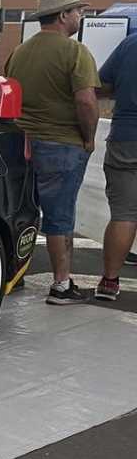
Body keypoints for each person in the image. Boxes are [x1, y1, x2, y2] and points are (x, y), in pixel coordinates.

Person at [4, 0, 100, 305]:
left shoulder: (19, 52)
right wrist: (89, 138)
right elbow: (86, 101)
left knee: (22, 211)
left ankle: (13, 274)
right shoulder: (76, 52)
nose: (80, 16)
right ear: (62, 15)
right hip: (62, 144)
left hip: (21, 142)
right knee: (60, 217)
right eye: (77, 11)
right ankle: (61, 285)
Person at [94, 30, 137, 299]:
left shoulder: (131, 43)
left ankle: (109, 282)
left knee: (124, 213)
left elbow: (101, 85)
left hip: (126, 135)